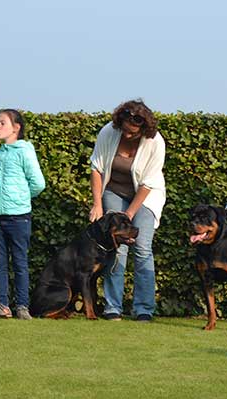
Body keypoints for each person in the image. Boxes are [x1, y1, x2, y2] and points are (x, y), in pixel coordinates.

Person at [89, 100, 167, 322]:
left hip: (146, 196)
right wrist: (97, 204)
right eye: (124, 130)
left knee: (142, 248)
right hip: (113, 191)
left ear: (144, 129)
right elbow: (96, 168)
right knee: (116, 247)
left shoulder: (155, 142)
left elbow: (148, 183)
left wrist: (129, 215)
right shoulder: (108, 132)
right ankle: (113, 307)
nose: (127, 135)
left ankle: (143, 309)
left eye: (133, 133)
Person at [0, 109, 45, 320]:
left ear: (16, 127)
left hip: (19, 217)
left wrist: (20, 198)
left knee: (20, 262)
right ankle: (2, 305)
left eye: (2, 123)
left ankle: (22, 306)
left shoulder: (25, 151)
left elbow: (38, 183)